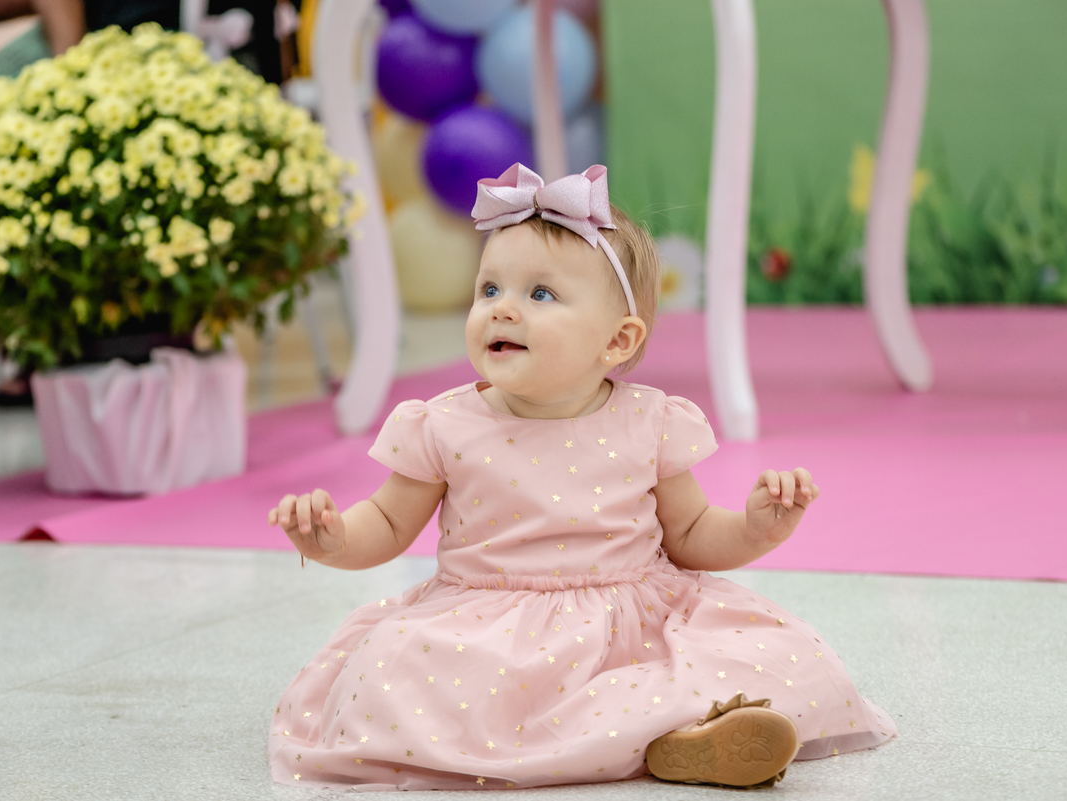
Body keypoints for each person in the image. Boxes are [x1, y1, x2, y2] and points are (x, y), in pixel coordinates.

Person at [266, 164, 896, 790]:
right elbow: (386, 522)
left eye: (539, 295)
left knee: (771, 654)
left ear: (617, 341)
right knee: (405, 670)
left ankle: (677, 738)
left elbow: (692, 535)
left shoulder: (649, 422)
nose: (501, 310)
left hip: (633, 628)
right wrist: (333, 539)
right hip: (488, 632)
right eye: (489, 289)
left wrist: (759, 529)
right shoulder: (444, 424)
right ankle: (657, 740)